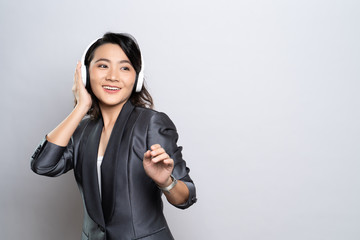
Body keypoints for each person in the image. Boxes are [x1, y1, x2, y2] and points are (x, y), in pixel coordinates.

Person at [30, 32, 197, 240]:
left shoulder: (151, 123)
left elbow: (187, 197)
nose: (113, 76)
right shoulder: (82, 130)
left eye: (125, 68)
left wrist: (166, 182)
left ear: (137, 78)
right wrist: (81, 107)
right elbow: (43, 165)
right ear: (84, 74)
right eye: (102, 65)